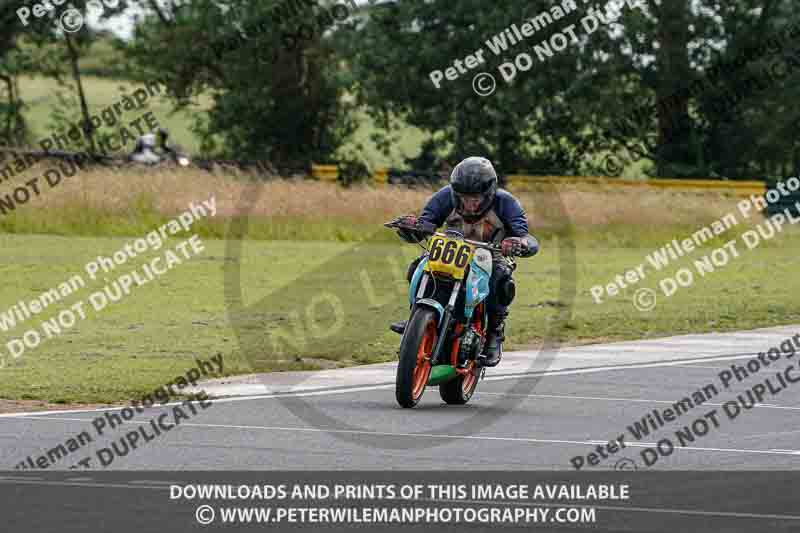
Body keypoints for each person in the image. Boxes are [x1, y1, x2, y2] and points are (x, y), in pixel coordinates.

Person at [391, 156, 539, 368]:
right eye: (463, 197)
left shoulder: (506, 203)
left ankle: (495, 331)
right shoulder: (444, 197)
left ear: (489, 193)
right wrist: (411, 228)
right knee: (418, 266)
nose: (469, 204)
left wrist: (518, 242)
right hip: (450, 252)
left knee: (501, 279)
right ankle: (415, 316)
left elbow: (526, 237)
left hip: (490, 256)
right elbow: (426, 223)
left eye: (476, 198)